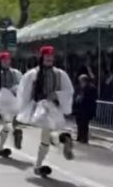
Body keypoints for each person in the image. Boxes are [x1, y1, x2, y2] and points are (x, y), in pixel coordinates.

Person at [17, 46, 74, 177]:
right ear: (42, 57)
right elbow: (25, 91)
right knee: (47, 134)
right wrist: (25, 107)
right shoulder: (33, 74)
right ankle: (62, 139)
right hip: (42, 107)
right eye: (47, 56)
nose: (49, 58)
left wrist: (57, 94)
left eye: (51, 56)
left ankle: (38, 165)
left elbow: (69, 90)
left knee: (45, 138)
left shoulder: (60, 74)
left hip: (48, 108)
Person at [0, 51, 23, 158]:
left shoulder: (16, 73)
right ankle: (14, 132)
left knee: (7, 124)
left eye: (8, 60)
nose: (6, 62)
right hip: (1, 100)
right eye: (4, 60)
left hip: (12, 100)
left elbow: (22, 86)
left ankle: (0, 148)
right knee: (7, 121)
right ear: (0, 61)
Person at [74, 74, 98, 144]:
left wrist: (82, 98)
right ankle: (79, 137)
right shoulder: (80, 87)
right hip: (80, 109)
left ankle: (84, 138)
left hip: (87, 109)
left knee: (84, 124)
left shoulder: (91, 88)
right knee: (79, 123)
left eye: (81, 81)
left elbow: (92, 98)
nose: (80, 82)